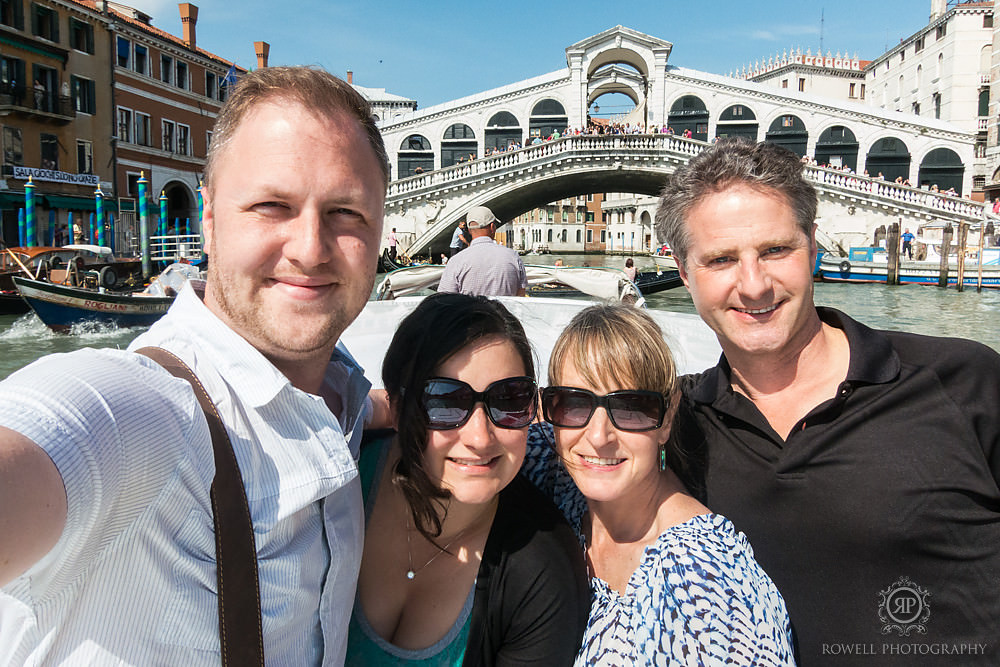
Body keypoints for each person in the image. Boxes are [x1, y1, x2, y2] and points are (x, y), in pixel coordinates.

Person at [0, 66, 390, 664]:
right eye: (270, 205)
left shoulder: (342, 398)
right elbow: (50, 435)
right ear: (208, 219)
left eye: (346, 212)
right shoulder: (140, 412)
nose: (311, 248)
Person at [656, 139, 1000, 665]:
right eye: (721, 259)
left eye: (775, 251)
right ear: (684, 271)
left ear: (813, 246)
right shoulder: (676, 423)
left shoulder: (963, 380)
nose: (753, 285)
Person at [523, 304, 794, 665]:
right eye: (573, 403)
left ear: (666, 418)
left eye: (631, 407)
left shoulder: (705, 586)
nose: (598, 437)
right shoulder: (559, 476)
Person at [346, 293, 588, 665]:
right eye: (444, 401)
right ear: (397, 409)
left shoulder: (543, 573)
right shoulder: (339, 481)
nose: (480, 438)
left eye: (508, 400)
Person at [438, 206, 527, 297]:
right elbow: (520, 296)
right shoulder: (514, 257)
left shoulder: (455, 261)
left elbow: (445, 299)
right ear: (492, 227)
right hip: (504, 311)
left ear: (469, 230)